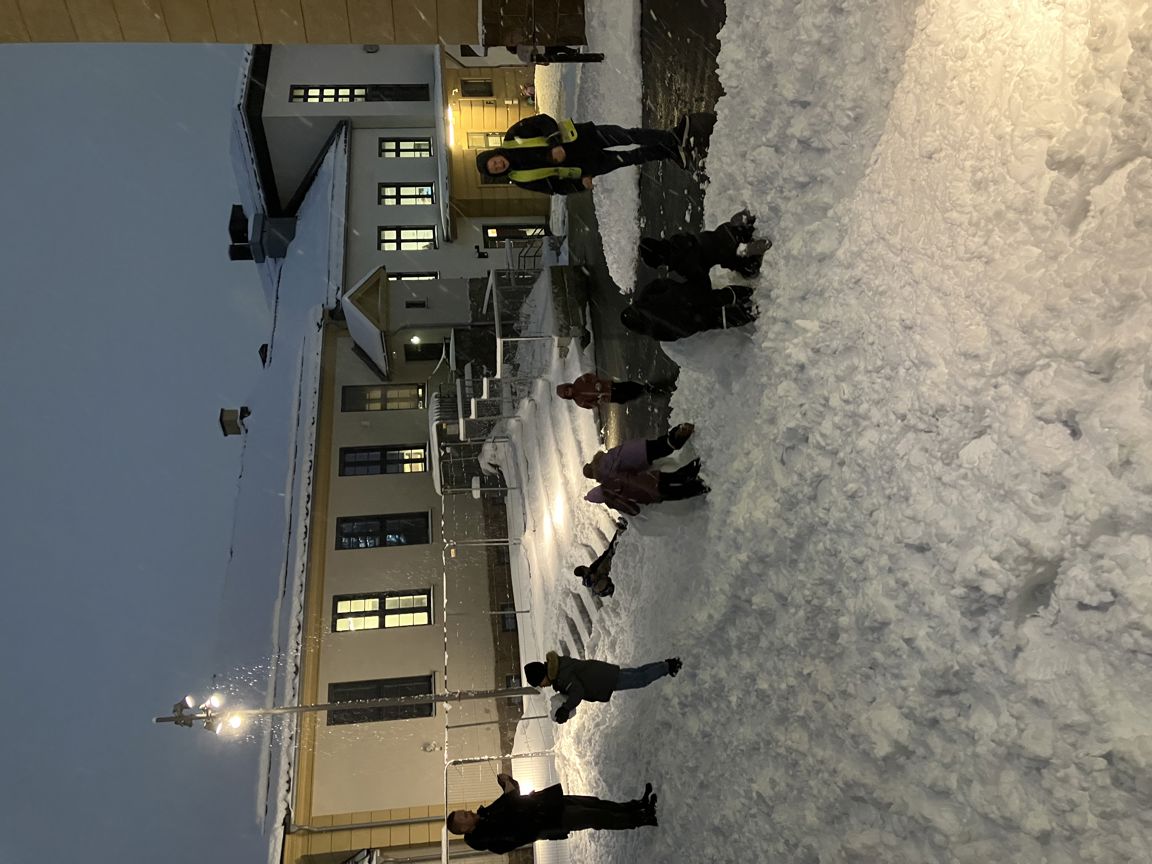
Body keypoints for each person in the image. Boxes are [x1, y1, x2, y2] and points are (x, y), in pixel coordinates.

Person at [475, 113, 687, 196]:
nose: (498, 165)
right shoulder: (520, 179)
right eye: (495, 170)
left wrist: (555, 143)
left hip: (583, 138)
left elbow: (542, 121)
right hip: (585, 166)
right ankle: (668, 151)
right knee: (631, 158)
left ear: (494, 154)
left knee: (627, 136)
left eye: (494, 162)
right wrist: (578, 185)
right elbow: (553, 188)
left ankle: (670, 137)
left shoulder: (513, 136)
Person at [446, 774, 657, 853]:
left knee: (596, 805)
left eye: (463, 811)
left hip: (550, 803)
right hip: (551, 820)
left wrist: (508, 783)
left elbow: (513, 797)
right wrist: (511, 795)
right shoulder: (490, 838)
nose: (467, 812)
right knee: (595, 817)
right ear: (464, 829)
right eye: (463, 816)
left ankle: (636, 805)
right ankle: (640, 819)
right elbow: (519, 830)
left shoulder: (487, 814)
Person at [584, 423, 708, 515]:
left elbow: (632, 508)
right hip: (636, 448)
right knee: (664, 445)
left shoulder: (607, 478)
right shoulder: (603, 458)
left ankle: (703, 476)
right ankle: (682, 433)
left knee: (678, 487)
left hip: (645, 477)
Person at [524, 652, 683, 723]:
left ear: (542, 675)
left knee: (640, 679)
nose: (542, 686)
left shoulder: (561, 676)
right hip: (602, 674)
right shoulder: (558, 668)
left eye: (539, 682)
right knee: (638, 673)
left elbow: (577, 691)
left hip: (603, 680)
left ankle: (669, 667)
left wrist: (566, 709)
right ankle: (666, 665)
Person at [639, 209, 771, 279]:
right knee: (732, 232)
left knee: (747, 270)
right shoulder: (675, 239)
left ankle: (744, 251)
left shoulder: (682, 267)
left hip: (722, 254)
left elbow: (701, 279)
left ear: (661, 262)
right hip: (716, 235)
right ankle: (739, 224)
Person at [621, 276, 757, 342]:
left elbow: (674, 335)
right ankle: (749, 293)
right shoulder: (645, 297)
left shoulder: (652, 330)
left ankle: (752, 312)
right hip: (688, 298)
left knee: (720, 318)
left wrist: (689, 327)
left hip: (692, 320)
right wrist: (678, 291)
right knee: (717, 298)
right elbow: (662, 283)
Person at [556, 373, 672, 410]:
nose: (569, 391)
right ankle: (641, 392)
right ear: (568, 397)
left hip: (608, 386)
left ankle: (644, 388)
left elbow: (590, 376)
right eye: (567, 393)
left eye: (567, 389)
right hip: (609, 397)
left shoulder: (579, 382)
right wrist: (598, 401)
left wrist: (597, 382)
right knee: (624, 398)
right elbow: (591, 405)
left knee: (627, 386)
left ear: (568, 386)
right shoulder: (579, 401)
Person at [575, 517, 628, 597]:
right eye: (584, 567)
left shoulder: (592, 570)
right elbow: (604, 564)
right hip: (612, 567)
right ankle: (622, 529)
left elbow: (602, 559)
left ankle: (620, 530)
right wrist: (609, 554)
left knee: (612, 547)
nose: (586, 567)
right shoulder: (592, 578)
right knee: (613, 547)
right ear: (583, 571)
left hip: (610, 562)